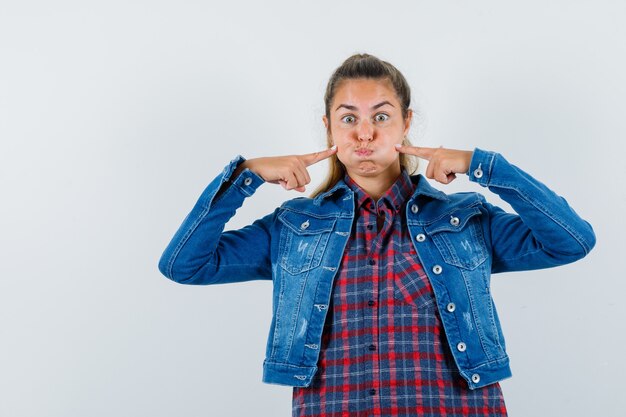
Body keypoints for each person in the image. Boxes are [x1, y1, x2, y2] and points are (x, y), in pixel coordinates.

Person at [158, 53, 596, 417]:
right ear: (328, 126)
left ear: (406, 123)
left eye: (380, 117)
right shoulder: (293, 227)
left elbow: (571, 241)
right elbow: (184, 264)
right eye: (348, 118)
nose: (364, 133)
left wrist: (483, 165)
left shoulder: (465, 218)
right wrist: (246, 175)